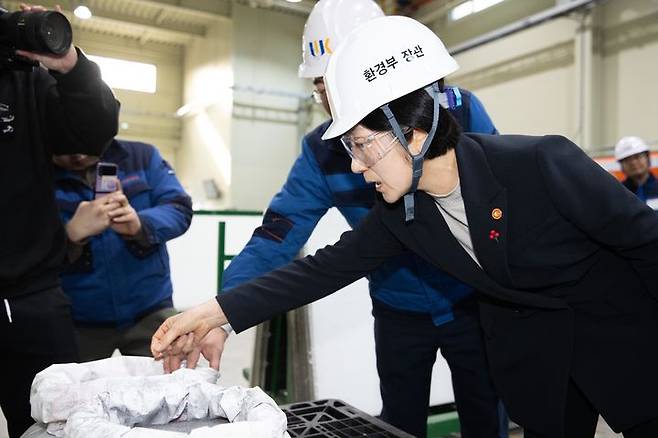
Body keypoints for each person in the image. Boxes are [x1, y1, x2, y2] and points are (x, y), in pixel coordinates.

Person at [154, 15, 658, 438]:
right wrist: (213, 312)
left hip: (615, 336)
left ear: (412, 132)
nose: (353, 165)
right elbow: (322, 268)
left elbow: (646, 244)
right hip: (529, 352)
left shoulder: (543, 160)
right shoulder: (404, 215)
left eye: (362, 144)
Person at [165, 1, 505, 437]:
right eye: (322, 87)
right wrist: (224, 310)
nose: (330, 100)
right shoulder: (322, 151)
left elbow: (499, 201)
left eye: (336, 83)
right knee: (399, 424)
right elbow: (279, 232)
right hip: (397, 311)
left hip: (472, 303)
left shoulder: (456, 112)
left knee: (486, 414)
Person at [0, 4, 119, 437]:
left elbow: (91, 133)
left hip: (33, 297)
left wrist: (71, 68)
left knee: (56, 424)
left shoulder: (24, 74)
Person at [52, 139, 193, 361]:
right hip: (77, 320)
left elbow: (179, 209)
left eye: (86, 146)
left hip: (150, 309)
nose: (78, 156)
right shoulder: (35, 173)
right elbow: (20, 245)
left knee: (166, 389)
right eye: (65, 149)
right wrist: (68, 236)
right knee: (77, 394)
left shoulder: (142, 156)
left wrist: (140, 224)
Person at [614, 136, 658, 206]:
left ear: (647, 158)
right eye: (627, 159)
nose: (633, 163)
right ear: (621, 165)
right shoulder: (618, 193)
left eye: (637, 157)